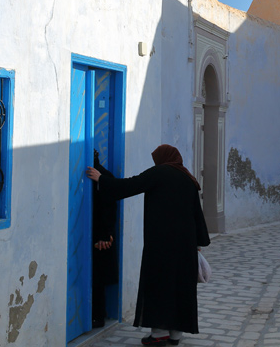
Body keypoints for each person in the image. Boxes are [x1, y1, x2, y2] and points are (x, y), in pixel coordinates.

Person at [86, 144, 210, 346]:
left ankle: (159, 333)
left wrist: (101, 179)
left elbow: (130, 186)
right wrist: (198, 244)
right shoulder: (188, 178)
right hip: (185, 246)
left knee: (159, 285)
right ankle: (176, 335)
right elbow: (197, 213)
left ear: (162, 159)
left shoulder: (159, 172)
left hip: (161, 244)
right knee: (180, 288)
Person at [91, 151, 118, 328]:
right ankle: (97, 315)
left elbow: (107, 207)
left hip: (99, 237)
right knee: (97, 277)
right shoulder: (101, 175)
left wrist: (104, 235)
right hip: (99, 235)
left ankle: (98, 315)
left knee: (97, 277)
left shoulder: (102, 177)